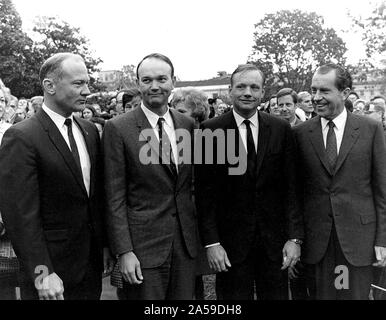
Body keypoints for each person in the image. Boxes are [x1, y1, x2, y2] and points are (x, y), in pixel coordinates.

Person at [0, 52, 113, 300]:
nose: (87, 91)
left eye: (87, 83)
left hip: (90, 269)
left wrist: (103, 245)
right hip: (50, 276)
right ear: (49, 86)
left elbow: (93, 198)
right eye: (78, 84)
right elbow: (20, 216)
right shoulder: (22, 136)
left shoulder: (89, 131)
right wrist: (42, 273)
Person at [195, 64, 304, 300]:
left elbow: (292, 188)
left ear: (263, 92)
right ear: (230, 90)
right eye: (241, 86)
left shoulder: (281, 129)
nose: (248, 92)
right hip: (230, 246)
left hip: (274, 245)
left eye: (254, 87)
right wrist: (212, 243)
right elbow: (204, 193)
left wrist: (294, 238)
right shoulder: (209, 130)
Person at [103, 53, 197, 300]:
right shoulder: (118, 128)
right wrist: (124, 251)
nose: (154, 86)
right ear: (138, 84)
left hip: (185, 247)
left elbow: (188, 185)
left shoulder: (187, 124)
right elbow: (114, 197)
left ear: (173, 81)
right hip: (142, 250)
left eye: (161, 79)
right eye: (147, 80)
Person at [293, 63, 386, 300]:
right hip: (317, 244)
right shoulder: (300, 134)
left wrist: (382, 239)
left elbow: (382, 191)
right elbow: (294, 193)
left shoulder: (371, 129)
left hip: (358, 241)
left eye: (324, 91)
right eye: (313, 91)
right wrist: (294, 239)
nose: (316, 98)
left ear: (344, 93)